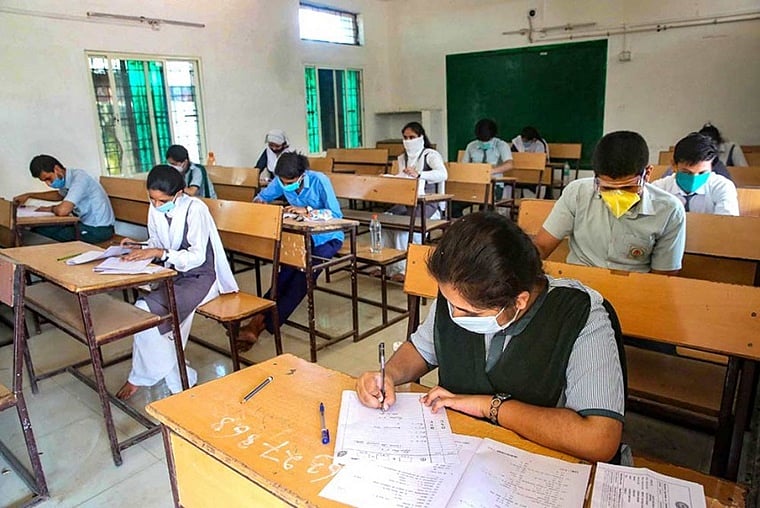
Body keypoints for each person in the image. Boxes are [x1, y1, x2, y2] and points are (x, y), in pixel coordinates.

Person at [356, 212, 625, 463]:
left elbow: (598, 439)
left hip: (536, 459)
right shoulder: (459, 292)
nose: (453, 315)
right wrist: (389, 375)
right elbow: (422, 349)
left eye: (470, 312)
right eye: (450, 303)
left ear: (519, 301)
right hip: (461, 448)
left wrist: (488, 406)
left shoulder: (579, 314)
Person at [115, 165, 237, 400]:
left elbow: (197, 256)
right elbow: (157, 241)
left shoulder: (195, 209)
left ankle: (142, 377)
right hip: (175, 274)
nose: (156, 205)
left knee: (145, 311)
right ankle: (181, 379)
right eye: (152, 199)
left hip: (202, 276)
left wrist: (159, 253)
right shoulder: (155, 208)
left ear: (179, 194)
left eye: (162, 201)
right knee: (150, 319)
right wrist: (139, 246)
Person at [534, 131, 686, 275]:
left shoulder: (670, 210)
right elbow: (542, 246)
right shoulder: (578, 192)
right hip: (579, 281)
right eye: (607, 188)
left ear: (647, 173)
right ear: (596, 177)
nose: (617, 195)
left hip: (633, 286)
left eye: (627, 188)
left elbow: (663, 276)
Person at [236, 152, 343, 349]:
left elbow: (336, 214)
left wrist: (307, 210)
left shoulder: (319, 181)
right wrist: (260, 204)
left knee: (302, 278)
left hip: (327, 238)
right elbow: (262, 197)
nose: (286, 186)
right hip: (299, 238)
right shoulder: (281, 180)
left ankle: (262, 325)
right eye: (283, 182)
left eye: (290, 182)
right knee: (283, 275)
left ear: (302, 175)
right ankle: (257, 320)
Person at [382, 122, 448, 280]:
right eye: (405, 138)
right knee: (385, 223)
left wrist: (420, 174)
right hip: (406, 202)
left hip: (428, 204)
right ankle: (387, 267)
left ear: (421, 137)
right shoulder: (402, 157)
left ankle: (405, 270)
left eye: (412, 137)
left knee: (404, 229)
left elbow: (442, 174)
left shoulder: (430, 155)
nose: (408, 141)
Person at [14, 154, 115, 244]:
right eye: (44, 181)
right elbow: (59, 195)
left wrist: (51, 209)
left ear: (57, 169)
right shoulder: (66, 179)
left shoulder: (80, 179)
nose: (48, 184)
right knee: (37, 229)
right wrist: (30, 195)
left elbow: (63, 211)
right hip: (84, 224)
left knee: (40, 233)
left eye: (48, 178)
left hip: (98, 229)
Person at [651, 133, 739, 216]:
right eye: (686, 172)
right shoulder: (658, 189)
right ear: (674, 165)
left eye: (702, 173)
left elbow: (727, 223)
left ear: (711, 167)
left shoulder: (723, 187)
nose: (694, 179)